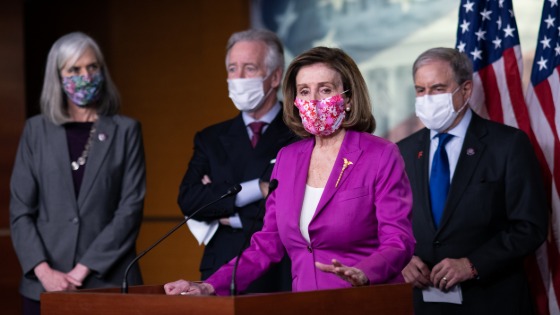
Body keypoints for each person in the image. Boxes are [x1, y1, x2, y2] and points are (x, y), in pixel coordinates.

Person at [165, 46, 415, 296]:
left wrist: (365, 272)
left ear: (348, 99)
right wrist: (211, 285)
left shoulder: (380, 154)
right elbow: (266, 243)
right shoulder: (287, 158)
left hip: (364, 301)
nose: (314, 100)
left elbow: (399, 240)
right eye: (304, 91)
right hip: (303, 303)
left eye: (325, 89)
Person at [398, 47, 548, 314]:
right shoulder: (403, 151)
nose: (427, 98)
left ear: (465, 90)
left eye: (438, 88)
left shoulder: (508, 145)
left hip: (492, 300)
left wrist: (472, 264)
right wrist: (401, 259)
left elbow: (530, 226)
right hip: (423, 304)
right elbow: (389, 223)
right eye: (420, 90)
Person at [10, 32, 145, 314]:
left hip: (109, 282)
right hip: (43, 286)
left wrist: (82, 270)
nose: (85, 75)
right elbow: (21, 211)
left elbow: (129, 209)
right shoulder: (36, 131)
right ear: (58, 76)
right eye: (74, 69)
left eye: (92, 67)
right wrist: (44, 272)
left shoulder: (126, 131)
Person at [176, 29, 296, 293]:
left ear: (275, 76)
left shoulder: (298, 133)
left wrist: (225, 209)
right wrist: (259, 189)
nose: (238, 78)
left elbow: (294, 208)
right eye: (233, 69)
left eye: (249, 68)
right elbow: (189, 199)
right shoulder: (210, 138)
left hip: (280, 273)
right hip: (220, 269)